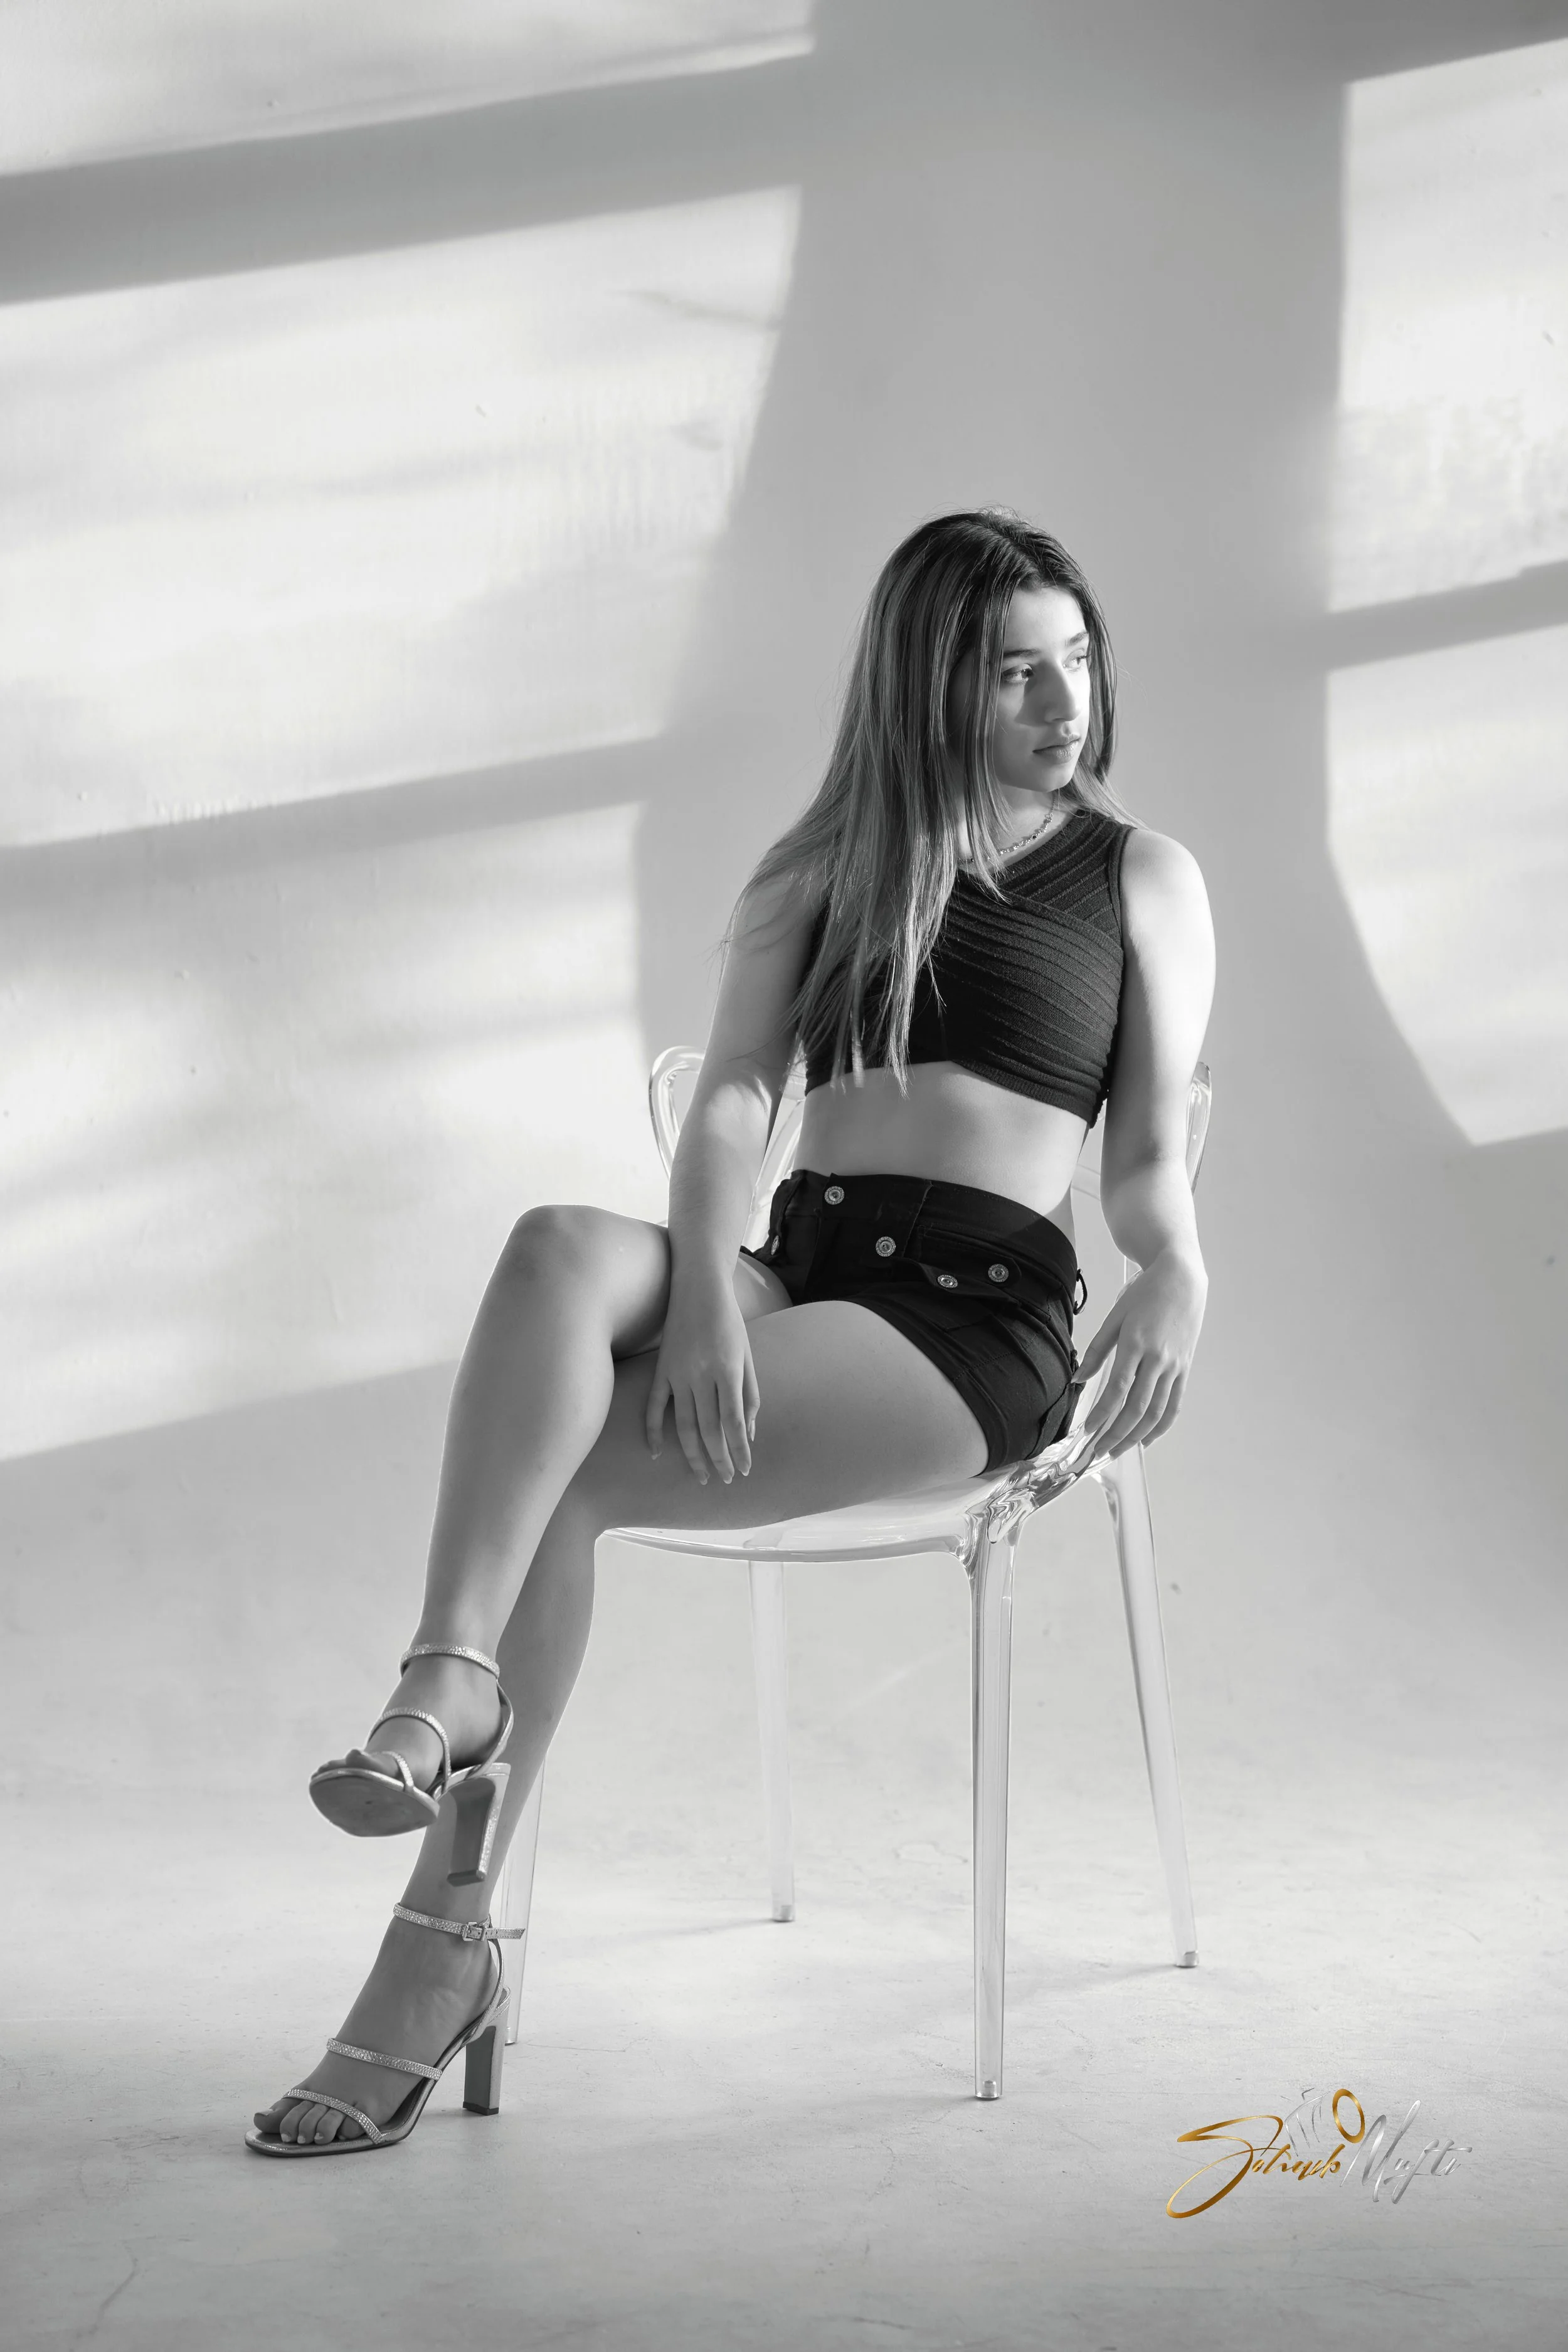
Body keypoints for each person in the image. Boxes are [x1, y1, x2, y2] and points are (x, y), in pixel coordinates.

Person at [246, 507, 1216, 2154]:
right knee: (554, 1247)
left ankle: (435, 1941)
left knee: (557, 1477)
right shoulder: (824, 865)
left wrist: (1177, 1265)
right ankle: (448, 1682)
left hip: (968, 1318)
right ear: (924, 683)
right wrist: (706, 1283)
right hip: (798, 1262)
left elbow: (1141, 1151)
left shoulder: (1138, 877)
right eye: (1013, 671)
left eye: (1077, 660)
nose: (1066, 702)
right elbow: (733, 1102)